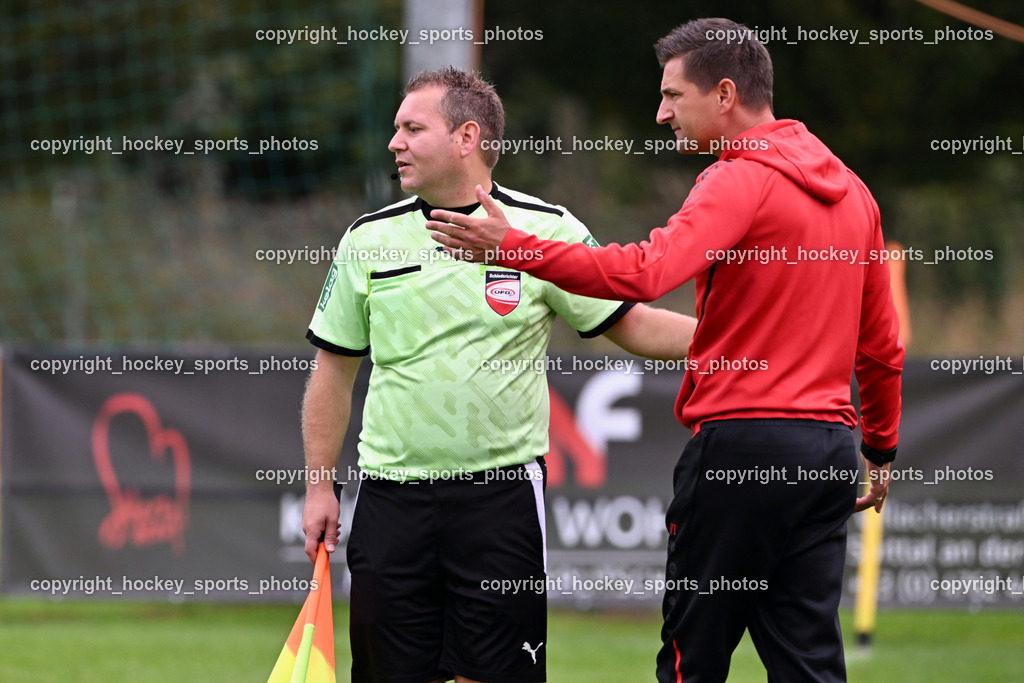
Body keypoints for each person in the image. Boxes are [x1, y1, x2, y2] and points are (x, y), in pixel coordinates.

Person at [427, 18, 904, 683]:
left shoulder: (738, 178)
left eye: (673, 95)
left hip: (741, 451)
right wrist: (880, 448)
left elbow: (646, 272)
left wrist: (516, 248)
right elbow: (881, 346)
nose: (661, 113)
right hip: (827, 453)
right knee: (810, 665)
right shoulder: (855, 194)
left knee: (691, 661)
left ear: (725, 95)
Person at [301, 66, 697, 683]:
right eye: (397, 129)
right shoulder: (368, 239)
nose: (394, 143)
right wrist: (318, 486)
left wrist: (750, 346)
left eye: (412, 129)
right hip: (390, 499)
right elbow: (333, 369)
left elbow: (634, 324)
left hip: (499, 500)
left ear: (466, 137)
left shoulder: (546, 230)